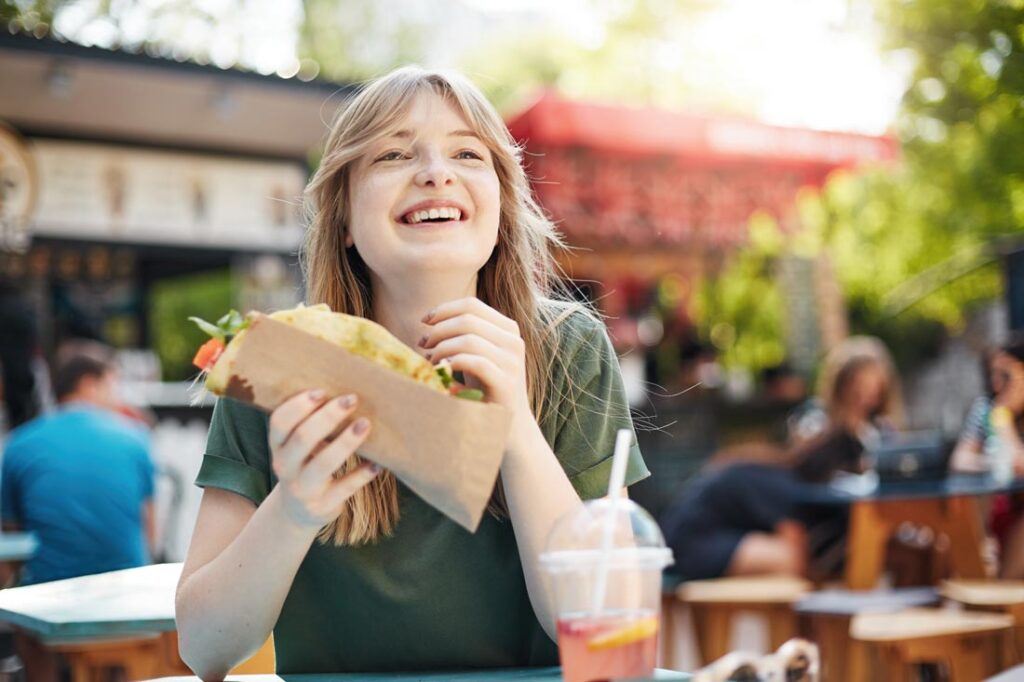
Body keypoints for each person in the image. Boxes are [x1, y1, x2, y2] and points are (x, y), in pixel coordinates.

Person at [174, 66, 648, 678]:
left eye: (467, 153)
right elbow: (203, 647)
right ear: (343, 218)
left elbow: (605, 626)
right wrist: (293, 508)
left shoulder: (568, 348)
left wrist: (516, 430)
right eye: (394, 153)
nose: (435, 172)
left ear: (502, 206)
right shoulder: (280, 361)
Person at [661, 336, 903, 581]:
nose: (866, 398)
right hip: (689, 544)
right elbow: (794, 535)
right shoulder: (794, 476)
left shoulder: (784, 468)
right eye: (858, 389)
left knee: (805, 561)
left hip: (696, 533)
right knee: (800, 564)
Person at [0, 340, 156, 585]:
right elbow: (149, 529)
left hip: (47, 595)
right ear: (89, 384)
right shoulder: (135, 436)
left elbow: (10, 533)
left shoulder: (18, 443)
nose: (118, 396)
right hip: (127, 589)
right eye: (113, 383)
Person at [951, 337, 1024, 578]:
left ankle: (1000, 599)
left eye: (1006, 375)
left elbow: (1019, 464)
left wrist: (1003, 419)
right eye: (994, 374)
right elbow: (960, 459)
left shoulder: (999, 414)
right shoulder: (986, 408)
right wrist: (993, 463)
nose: (997, 384)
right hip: (996, 509)